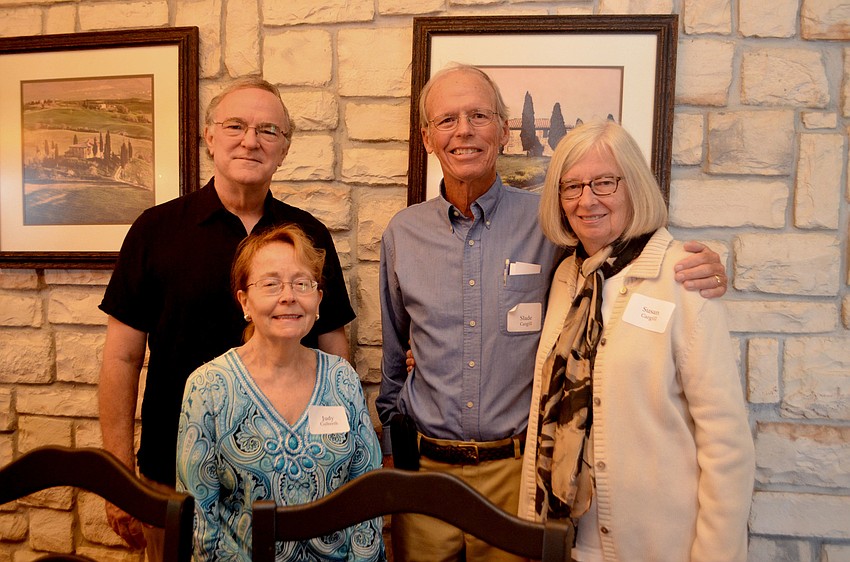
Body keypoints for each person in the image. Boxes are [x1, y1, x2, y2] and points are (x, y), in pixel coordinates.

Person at [376, 63, 729, 562]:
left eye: (479, 115)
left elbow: (619, 254)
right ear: (427, 135)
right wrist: (393, 450)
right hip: (424, 473)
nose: (464, 131)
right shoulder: (402, 234)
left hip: (516, 473)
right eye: (448, 119)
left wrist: (702, 266)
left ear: (503, 128)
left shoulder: (551, 225)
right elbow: (393, 355)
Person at [98, 77, 355, 557]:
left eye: (268, 131)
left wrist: (340, 460)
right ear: (210, 137)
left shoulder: (309, 234)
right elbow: (121, 359)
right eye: (235, 125)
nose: (250, 140)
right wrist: (120, 477)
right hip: (171, 480)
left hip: (292, 480)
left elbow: (332, 349)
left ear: (285, 148)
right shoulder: (155, 230)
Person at [517, 120, 754, 561]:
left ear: (635, 186)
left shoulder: (682, 277)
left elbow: (726, 444)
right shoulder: (568, 278)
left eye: (604, 182)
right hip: (565, 538)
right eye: (572, 187)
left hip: (657, 546)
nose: (587, 200)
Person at [176, 224, 384, 561]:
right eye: (271, 284)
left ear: (317, 300)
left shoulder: (341, 378)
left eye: (301, 283)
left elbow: (368, 496)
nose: (288, 296)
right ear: (244, 300)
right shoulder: (208, 388)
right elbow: (202, 523)